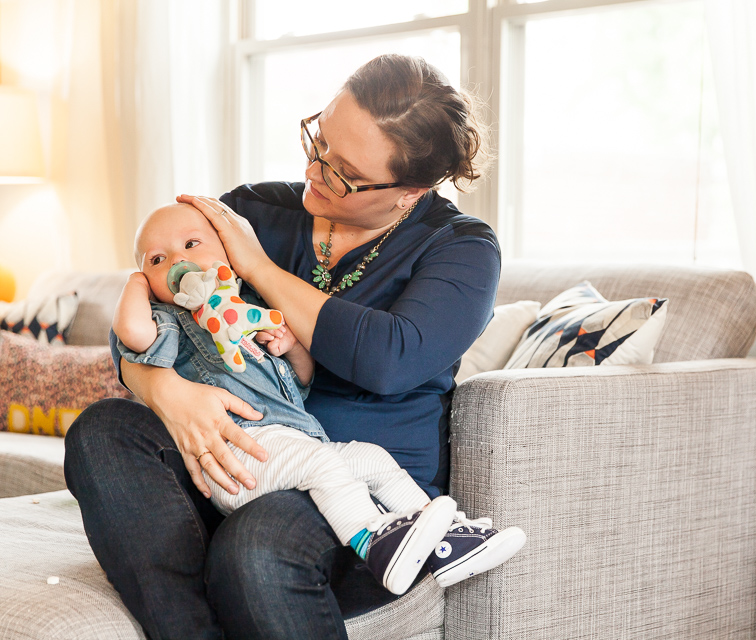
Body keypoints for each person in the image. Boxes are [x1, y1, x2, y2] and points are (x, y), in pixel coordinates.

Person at [64, 53, 509, 639]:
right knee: (100, 431)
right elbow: (149, 318)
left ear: (409, 192)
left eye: (344, 171)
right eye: (318, 139)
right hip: (236, 461)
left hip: (356, 495)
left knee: (256, 547)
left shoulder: (461, 250)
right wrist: (165, 389)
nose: (315, 169)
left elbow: (389, 358)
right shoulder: (254, 209)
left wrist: (256, 267)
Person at [113, 201, 524, 597]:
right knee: (323, 464)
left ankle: (444, 541)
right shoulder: (168, 322)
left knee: (372, 459)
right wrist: (134, 283)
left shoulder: (250, 308)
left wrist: (291, 346)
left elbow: (301, 381)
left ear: (229, 250)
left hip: (295, 440)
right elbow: (131, 336)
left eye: (190, 246)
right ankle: (371, 541)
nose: (177, 264)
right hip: (239, 454)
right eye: (156, 260)